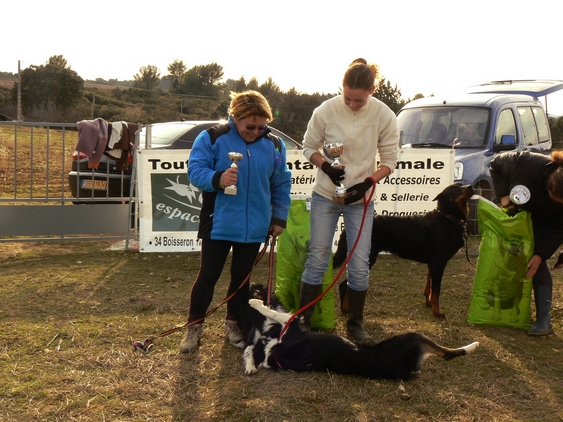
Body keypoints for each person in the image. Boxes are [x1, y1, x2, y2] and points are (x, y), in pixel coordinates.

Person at [180, 90, 292, 353]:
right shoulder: (212, 137)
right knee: (208, 276)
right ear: (234, 117)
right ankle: (193, 329)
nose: (255, 131)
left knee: (242, 279)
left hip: (255, 226)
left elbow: (280, 182)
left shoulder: (274, 144)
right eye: (249, 126)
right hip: (218, 221)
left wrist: (278, 217)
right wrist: (218, 178)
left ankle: (233, 324)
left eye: (261, 126)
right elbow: (195, 171)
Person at [299, 58, 400, 343]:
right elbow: (309, 146)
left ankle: (355, 324)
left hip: (361, 200)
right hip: (325, 195)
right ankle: (303, 322)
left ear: (371, 90)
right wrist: (325, 166)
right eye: (348, 98)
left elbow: (390, 160)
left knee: (359, 262)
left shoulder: (384, 115)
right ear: (341, 89)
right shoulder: (326, 110)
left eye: (359, 100)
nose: (353, 105)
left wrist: (368, 182)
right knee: (318, 256)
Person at [490, 149, 563, 336]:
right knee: (509, 256)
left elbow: (558, 230)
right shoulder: (526, 162)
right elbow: (495, 164)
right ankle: (502, 307)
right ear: (550, 184)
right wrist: (504, 197)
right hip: (518, 211)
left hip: (545, 222)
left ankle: (544, 320)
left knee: (535, 263)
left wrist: (541, 254)